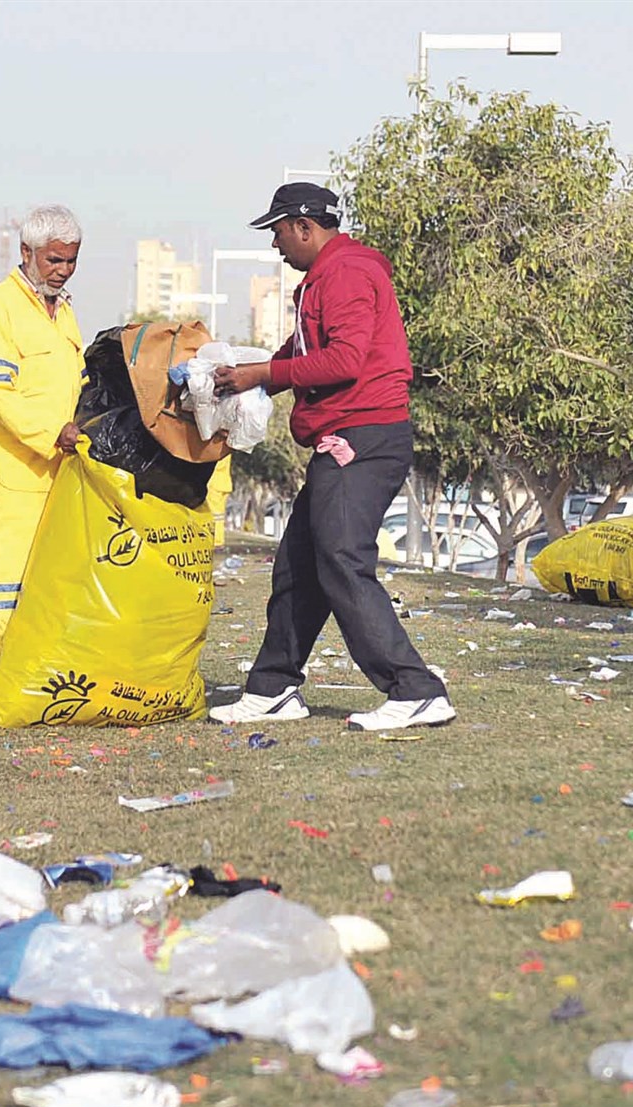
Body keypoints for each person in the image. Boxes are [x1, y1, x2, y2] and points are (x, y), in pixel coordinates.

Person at [208, 182, 454, 731]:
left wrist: (262, 374)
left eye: (277, 231)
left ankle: (415, 689)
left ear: (304, 226)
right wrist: (248, 379)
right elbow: (302, 354)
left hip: (362, 438)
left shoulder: (345, 273)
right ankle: (273, 688)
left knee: (341, 559)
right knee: (299, 566)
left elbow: (344, 360)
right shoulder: (324, 277)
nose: (275, 244)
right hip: (345, 437)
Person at [0, 204, 86, 672]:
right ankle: (6, 687)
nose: (63, 270)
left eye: (71, 260)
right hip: (10, 480)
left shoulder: (64, 312)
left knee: (49, 591)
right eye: (54, 260)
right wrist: (54, 432)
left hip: (58, 477)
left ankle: (41, 686)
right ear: (27, 252)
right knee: (6, 591)